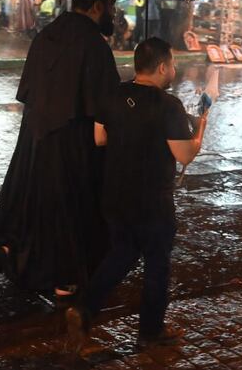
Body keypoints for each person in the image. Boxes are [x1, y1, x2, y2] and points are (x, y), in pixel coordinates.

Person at [0, 0, 121, 298]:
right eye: (111, 4)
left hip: (34, 136)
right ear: (97, 5)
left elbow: (29, 91)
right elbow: (104, 106)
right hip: (72, 144)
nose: (114, 11)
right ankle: (63, 278)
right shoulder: (93, 44)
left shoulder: (46, 35)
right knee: (68, 209)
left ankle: (12, 247)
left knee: (33, 200)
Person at [66, 37, 208, 351]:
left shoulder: (113, 94)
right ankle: (151, 330)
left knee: (122, 253)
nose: (174, 68)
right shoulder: (168, 105)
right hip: (152, 201)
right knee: (157, 262)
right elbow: (184, 155)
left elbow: (100, 138)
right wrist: (200, 128)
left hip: (115, 194)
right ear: (161, 67)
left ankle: (85, 308)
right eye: (172, 63)